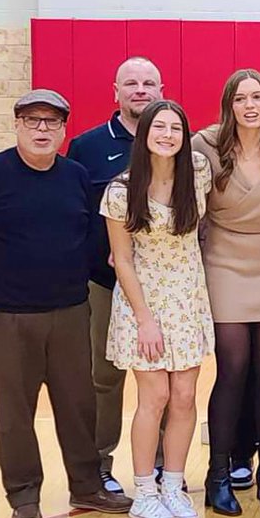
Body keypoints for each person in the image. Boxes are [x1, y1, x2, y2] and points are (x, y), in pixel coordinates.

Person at [0, 90, 132, 518]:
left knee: (79, 403)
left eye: (52, 122)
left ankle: (86, 485)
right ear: (17, 125)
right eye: (33, 121)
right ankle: (24, 495)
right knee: (14, 408)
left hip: (69, 310)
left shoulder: (74, 176)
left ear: (64, 129)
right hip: (5, 315)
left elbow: (88, 235)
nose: (42, 129)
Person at [193, 70, 260, 516]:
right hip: (223, 260)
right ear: (229, 104)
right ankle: (218, 473)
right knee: (233, 367)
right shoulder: (204, 146)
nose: (250, 105)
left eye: (258, 96)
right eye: (241, 98)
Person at [102, 100, 213, 518]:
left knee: (185, 397)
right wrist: (144, 318)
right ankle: (144, 490)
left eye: (175, 128)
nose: (167, 135)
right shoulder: (120, 191)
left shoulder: (198, 173)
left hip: (188, 298)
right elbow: (123, 260)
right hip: (141, 304)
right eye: (159, 127)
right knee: (155, 398)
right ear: (144, 133)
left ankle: (173, 484)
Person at [66, 57, 163, 494]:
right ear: (116, 91)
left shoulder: (175, 141)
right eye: (131, 83)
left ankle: (162, 463)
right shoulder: (87, 147)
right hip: (104, 284)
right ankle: (99, 464)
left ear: (160, 90)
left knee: (163, 376)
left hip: (162, 286)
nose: (140, 90)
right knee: (104, 377)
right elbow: (75, 215)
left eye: (148, 83)